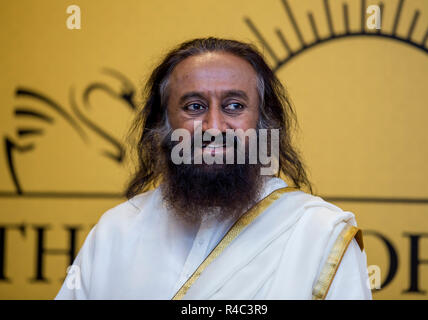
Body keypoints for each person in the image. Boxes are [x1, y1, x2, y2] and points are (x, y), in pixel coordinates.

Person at [55, 38, 372, 300]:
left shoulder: (320, 235)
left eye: (234, 106)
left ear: (263, 124)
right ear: (163, 126)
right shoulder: (116, 231)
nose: (214, 126)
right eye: (194, 107)